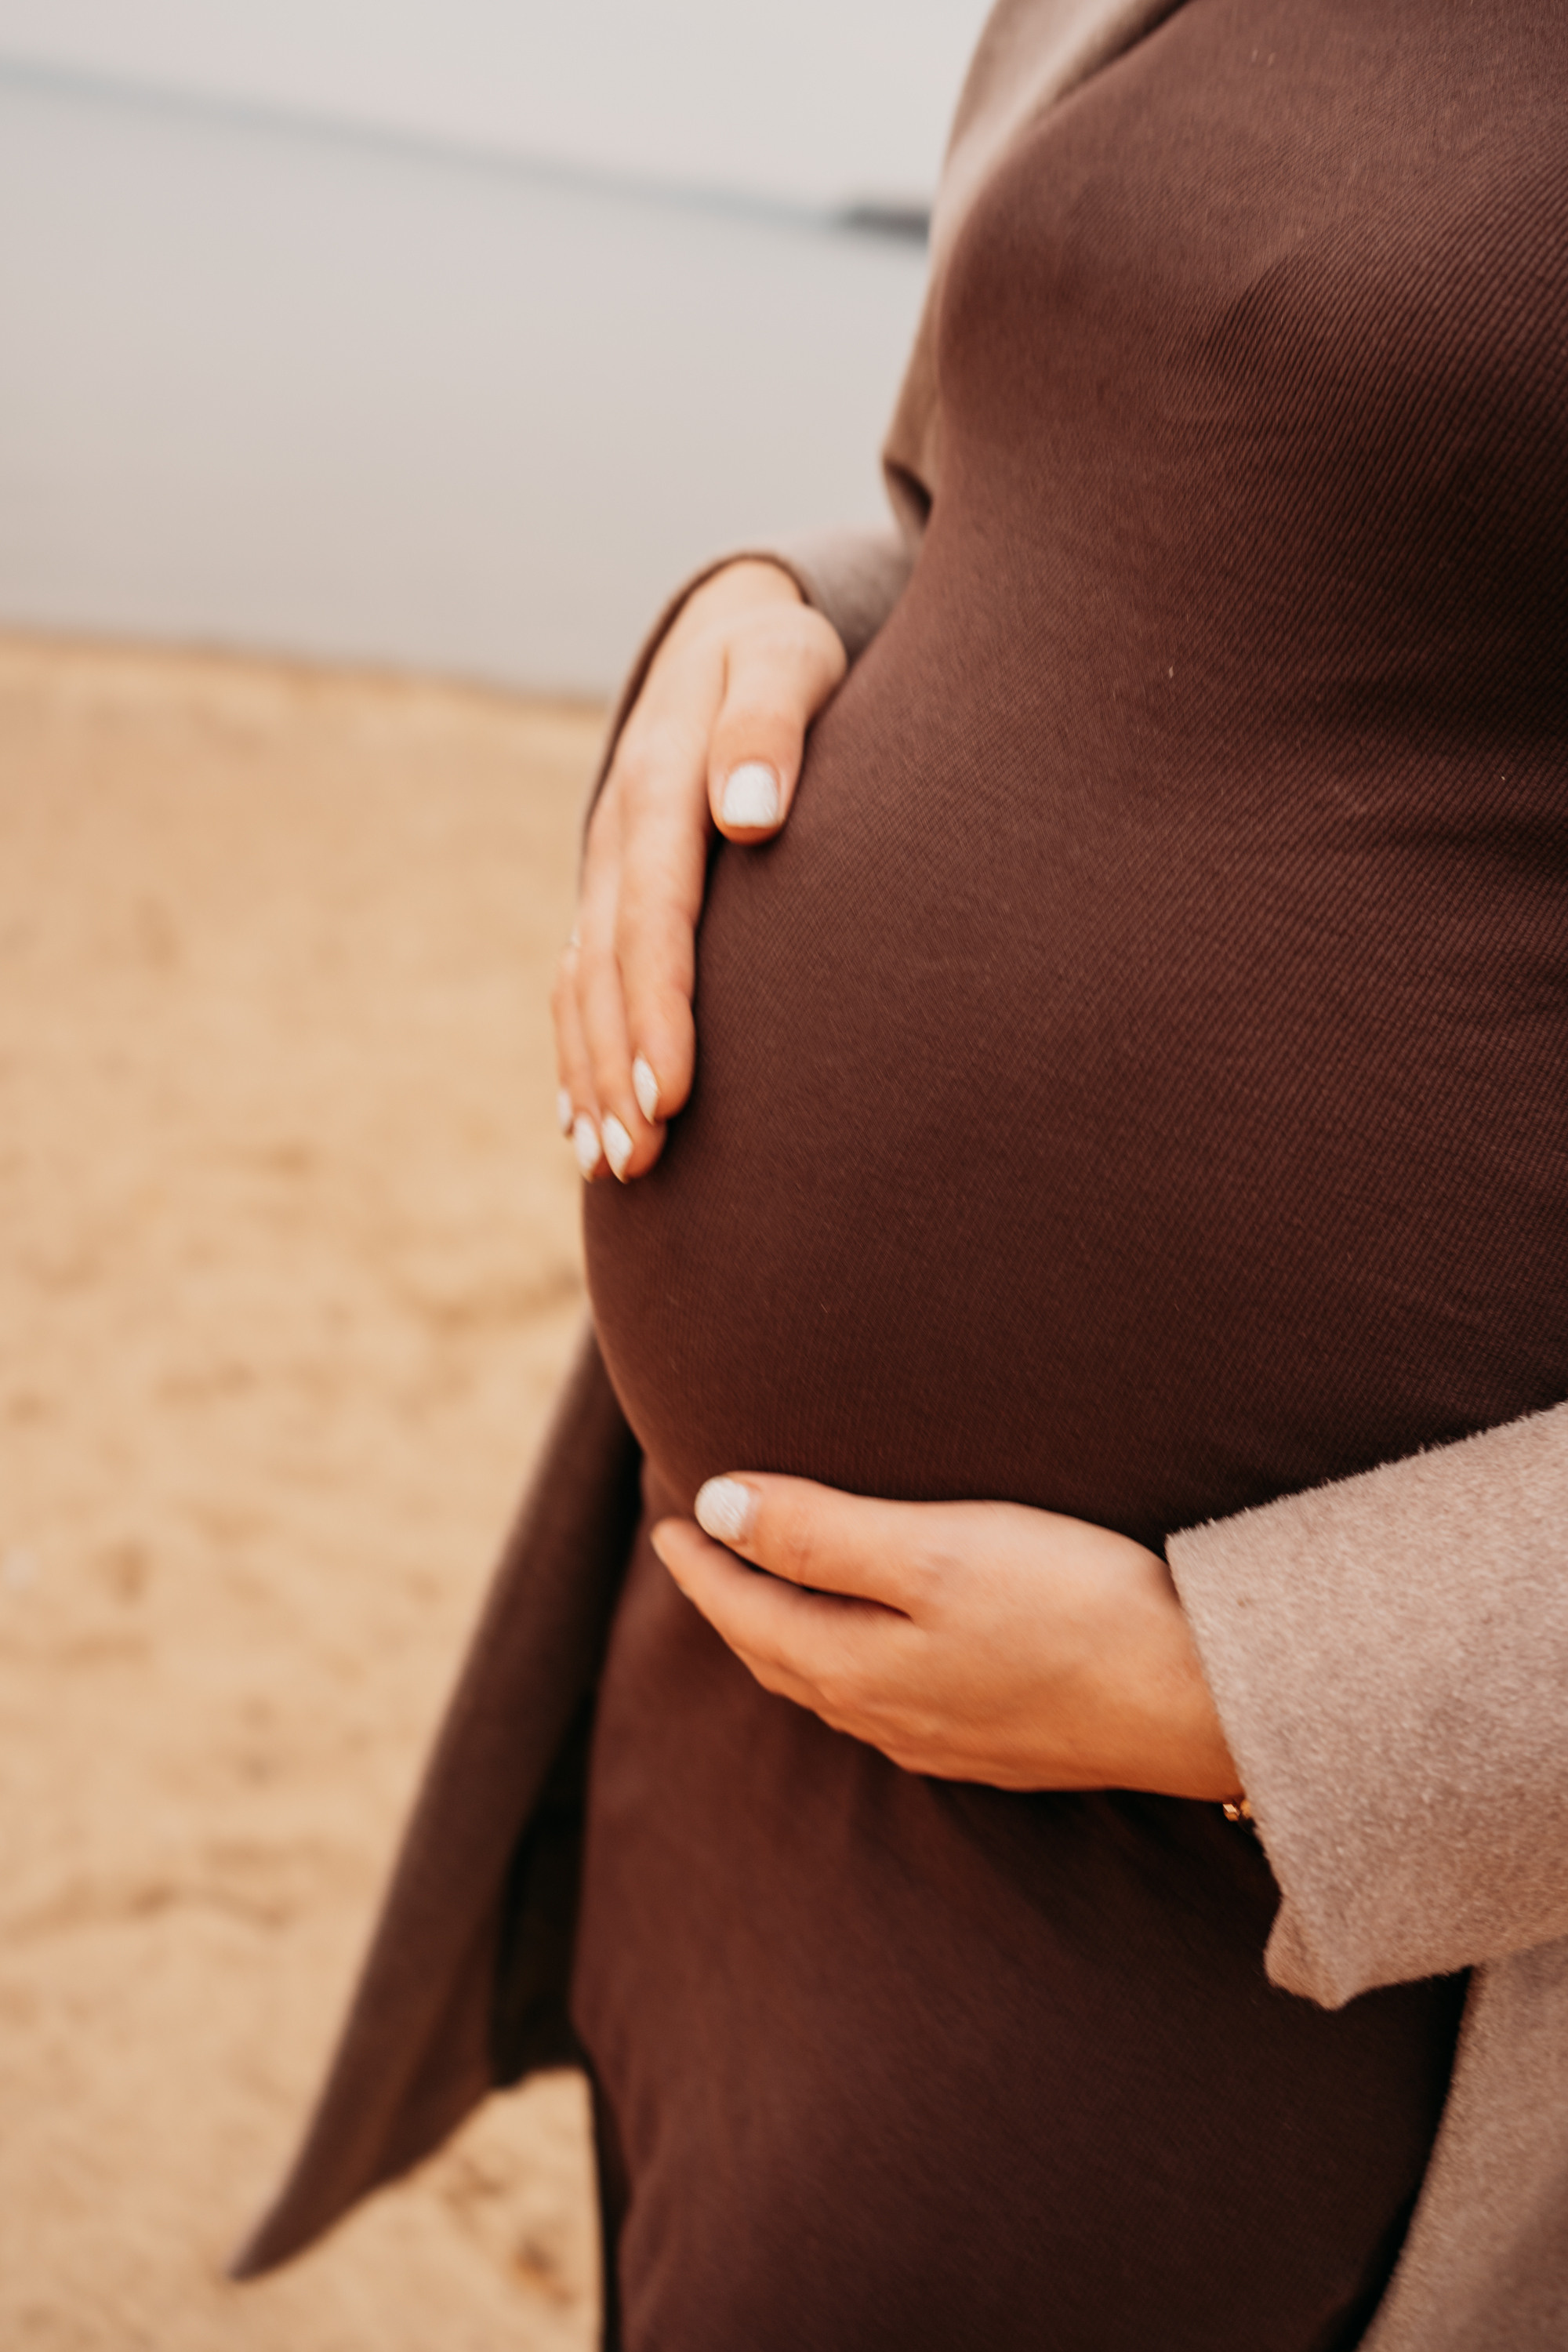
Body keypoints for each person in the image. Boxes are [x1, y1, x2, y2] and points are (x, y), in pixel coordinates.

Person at [234, 2, 1568, 2345]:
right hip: (749, 1678)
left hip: (1267, 1901)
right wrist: (761, 627)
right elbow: (1057, 523)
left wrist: (1262, 1701)